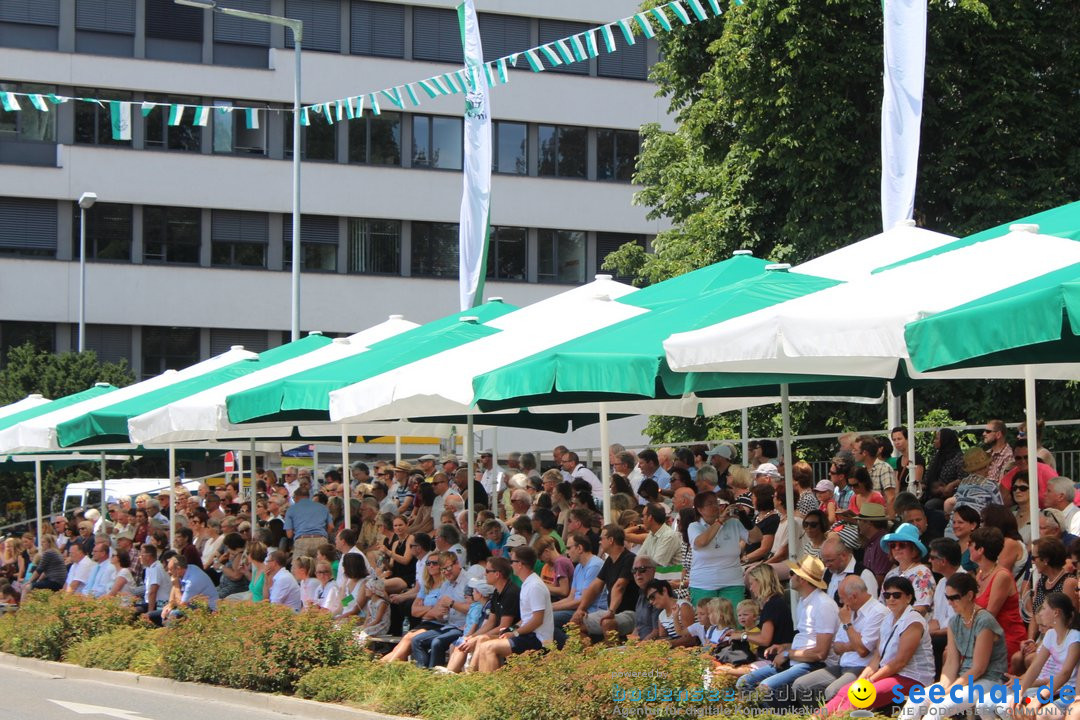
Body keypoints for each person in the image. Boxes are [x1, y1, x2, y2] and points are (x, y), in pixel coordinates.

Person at [898, 573, 1007, 720]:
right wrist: (943, 686)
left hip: (990, 679)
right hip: (965, 679)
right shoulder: (954, 621)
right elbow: (951, 662)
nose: (950, 602)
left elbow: (979, 668)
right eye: (947, 597)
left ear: (969, 595)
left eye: (954, 597)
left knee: (938, 707)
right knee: (916, 700)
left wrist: (952, 689)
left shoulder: (984, 621)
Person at [824, 576, 936, 716]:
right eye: (887, 595)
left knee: (862, 695)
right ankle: (815, 717)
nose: (891, 599)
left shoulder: (914, 621)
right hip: (891, 674)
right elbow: (878, 655)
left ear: (908, 597)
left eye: (896, 595)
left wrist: (871, 680)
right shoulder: (888, 618)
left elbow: (899, 662)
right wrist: (861, 680)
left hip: (913, 678)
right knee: (846, 690)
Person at [737, 556, 837, 701]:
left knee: (765, 688)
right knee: (744, 682)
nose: (789, 576)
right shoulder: (804, 601)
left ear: (801, 579)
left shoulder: (823, 605)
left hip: (813, 664)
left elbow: (820, 653)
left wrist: (786, 654)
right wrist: (784, 647)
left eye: (792, 573)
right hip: (797, 659)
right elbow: (807, 638)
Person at [792, 574, 888, 707]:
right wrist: (854, 641)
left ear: (853, 597)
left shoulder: (878, 612)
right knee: (801, 685)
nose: (841, 603)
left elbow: (862, 651)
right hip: (843, 664)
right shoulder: (848, 610)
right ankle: (818, 716)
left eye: (842, 598)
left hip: (862, 667)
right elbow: (836, 647)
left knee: (832, 691)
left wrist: (848, 624)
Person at [985, 592, 1080, 719]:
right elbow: (1035, 667)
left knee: (1038, 714)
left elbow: (1065, 674)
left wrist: (1039, 698)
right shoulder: (1051, 634)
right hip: (1053, 689)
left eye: (1045, 608)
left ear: (1056, 613)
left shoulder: (1074, 637)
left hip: (1068, 690)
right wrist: (1020, 691)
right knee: (1014, 706)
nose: (1040, 612)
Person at [473, 545, 553, 671]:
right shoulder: (527, 584)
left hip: (538, 640)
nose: (510, 565)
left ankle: (487, 687)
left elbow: (538, 620)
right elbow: (526, 619)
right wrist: (509, 630)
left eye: (512, 561)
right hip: (528, 635)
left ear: (520, 564)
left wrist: (514, 633)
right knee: (483, 641)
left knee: (488, 647)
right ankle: (474, 680)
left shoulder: (535, 586)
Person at [571, 524, 638, 640]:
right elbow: (595, 586)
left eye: (602, 538)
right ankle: (586, 656)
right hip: (613, 612)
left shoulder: (629, 558)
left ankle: (611, 657)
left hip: (630, 612)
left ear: (611, 540)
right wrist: (581, 609)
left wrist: (611, 611)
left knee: (608, 623)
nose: (599, 542)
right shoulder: (609, 561)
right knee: (575, 622)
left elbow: (619, 586)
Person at [969, 526, 1026, 659]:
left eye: (970, 544)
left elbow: (989, 615)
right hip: (985, 635)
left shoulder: (1002, 576)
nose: (968, 547)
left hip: (1005, 638)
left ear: (981, 550)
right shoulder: (981, 574)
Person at [687, 492, 746, 607]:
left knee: (734, 622)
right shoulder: (694, 526)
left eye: (716, 503)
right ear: (700, 510)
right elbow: (701, 542)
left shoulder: (733, 523)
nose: (715, 506)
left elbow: (756, 538)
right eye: (710, 504)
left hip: (732, 582)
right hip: (703, 585)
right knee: (706, 623)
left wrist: (744, 517)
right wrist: (720, 521)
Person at [879, 523, 935, 615]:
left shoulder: (922, 573)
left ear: (914, 549)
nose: (896, 548)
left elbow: (921, 608)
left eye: (902, 545)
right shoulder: (890, 574)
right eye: (893, 545)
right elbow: (882, 604)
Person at [283, 484, 333, 558]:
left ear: (296, 497)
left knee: (299, 567)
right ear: (308, 496)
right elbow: (331, 527)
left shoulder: (291, 509)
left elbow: (289, 534)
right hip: (320, 540)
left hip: (302, 540)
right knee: (321, 567)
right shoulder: (323, 507)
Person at [922, 428, 966, 510]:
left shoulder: (959, 458)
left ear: (945, 440)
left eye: (937, 438)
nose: (934, 441)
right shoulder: (937, 456)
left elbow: (963, 478)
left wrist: (951, 485)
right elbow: (927, 475)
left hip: (948, 497)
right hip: (930, 493)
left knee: (930, 505)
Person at [646, 579, 697, 647]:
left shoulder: (683, 606)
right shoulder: (661, 616)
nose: (651, 602)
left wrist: (667, 643)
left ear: (664, 590)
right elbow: (663, 638)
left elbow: (691, 639)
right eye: (648, 599)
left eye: (652, 597)